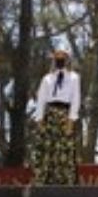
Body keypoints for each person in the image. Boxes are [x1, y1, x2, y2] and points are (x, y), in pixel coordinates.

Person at [33, 50, 81, 185]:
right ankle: (43, 181)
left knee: (64, 149)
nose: (60, 60)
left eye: (62, 57)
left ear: (67, 60)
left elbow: (76, 98)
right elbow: (41, 99)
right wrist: (39, 119)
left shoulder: (74, 77)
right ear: (54, 60)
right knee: (47, 149)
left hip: (65, 115)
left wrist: (71, 120)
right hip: (49, 115)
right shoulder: (47, 78)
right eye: (57, 57)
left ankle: (65, 182)